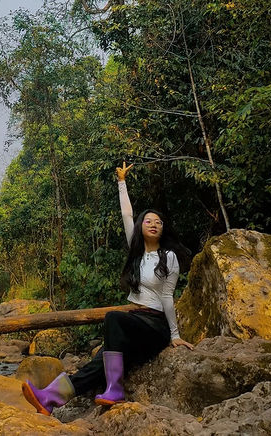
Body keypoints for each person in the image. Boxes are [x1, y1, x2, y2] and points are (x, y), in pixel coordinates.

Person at [22, 161, 193, 415]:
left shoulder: (169, 257)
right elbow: (126, 215)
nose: (154, 224)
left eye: (158, 222)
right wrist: (121, 182)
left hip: (155, 327)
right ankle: (49, 399)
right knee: (97, 363)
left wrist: (175, 335)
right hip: (135, 321)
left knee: (113, 318)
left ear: (163, 228)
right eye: (148, 221)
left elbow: (168, 295)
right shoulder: (136, 253)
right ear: (141, 227)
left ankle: (115, 389)